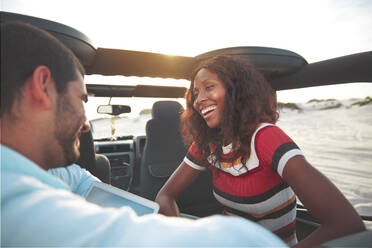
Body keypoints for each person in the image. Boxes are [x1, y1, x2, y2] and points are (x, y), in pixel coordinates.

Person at [0, 21, 287, 247]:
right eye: (81, 100)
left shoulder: (53, 175)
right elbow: (238, 242)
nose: (86, 124)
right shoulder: (18, 209)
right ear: (43, 87)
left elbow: (82, 183)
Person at [155, 55, 366, 247]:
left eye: (209, 87)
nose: (199, 99)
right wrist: (182, 237)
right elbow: (165, 195)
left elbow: (346, 224)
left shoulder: (266, 138)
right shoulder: (207, 143)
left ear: (235, 90)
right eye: (195, 93)